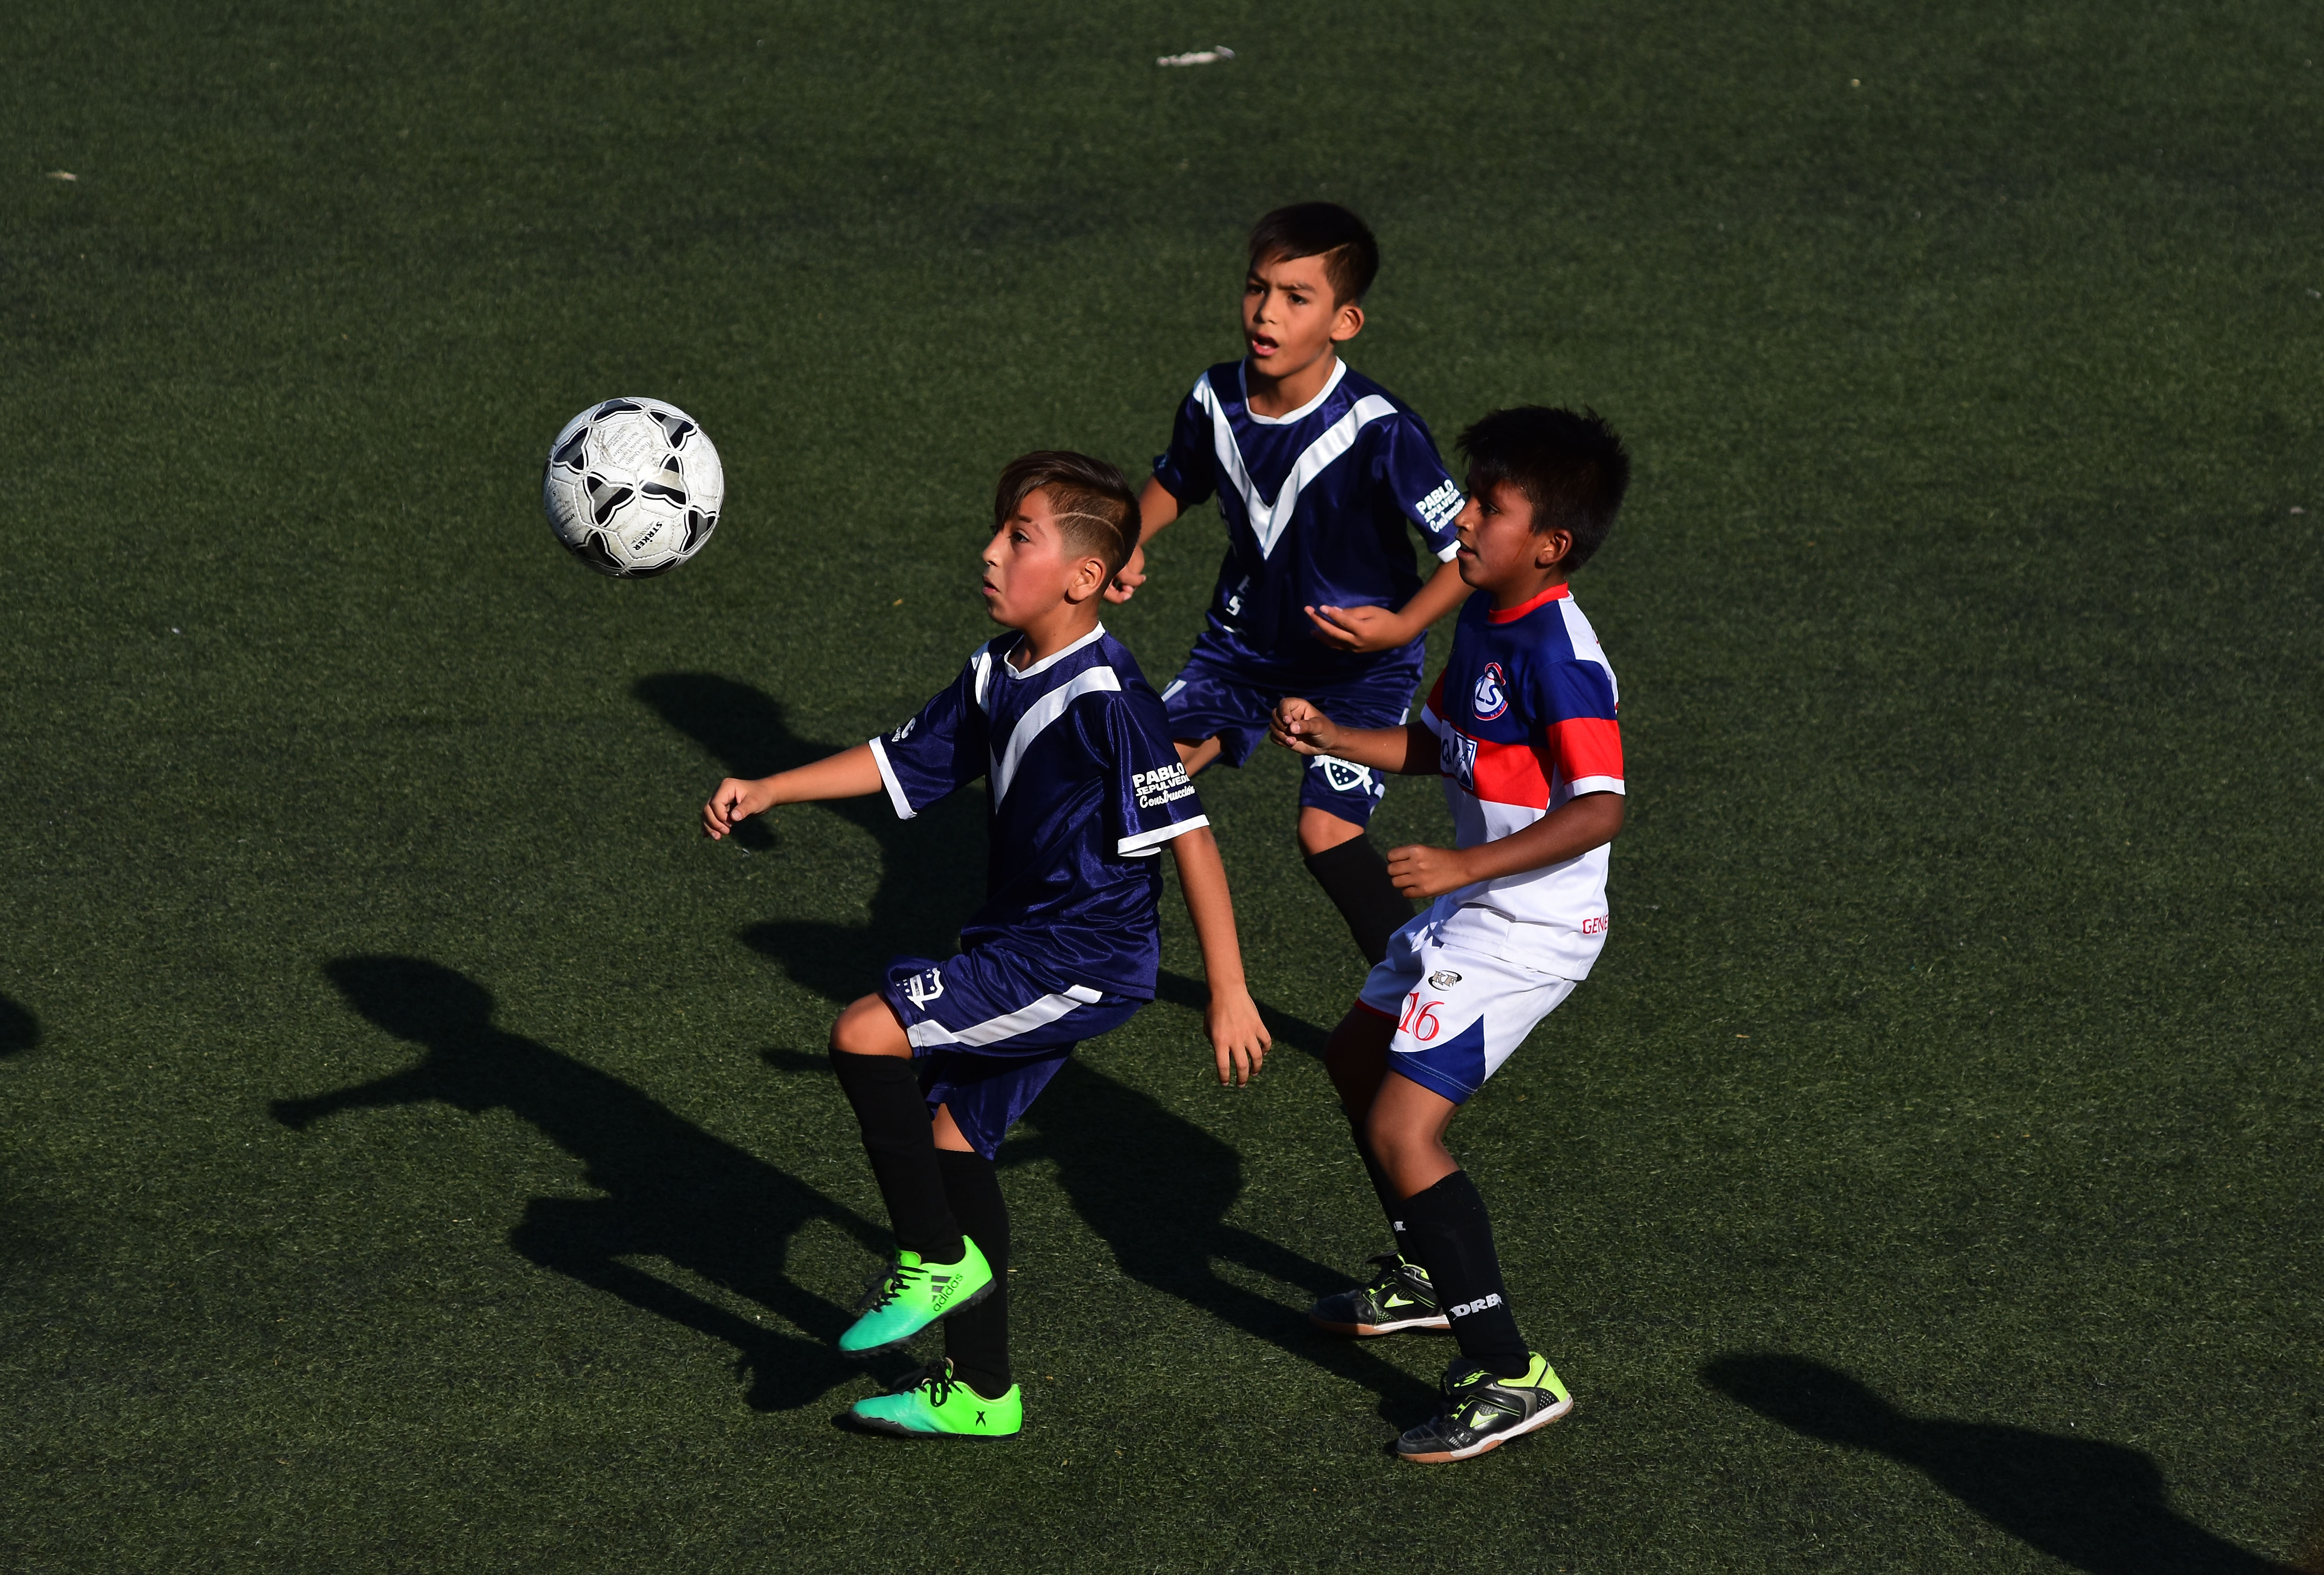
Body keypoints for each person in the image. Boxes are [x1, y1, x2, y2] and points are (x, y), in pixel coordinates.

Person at [703, 451, 1270, 1441]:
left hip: (1079, 960)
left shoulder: (1110, 701)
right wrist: (770, 785)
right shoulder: (994, 671)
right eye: (999, 530)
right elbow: (898, 762)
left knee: (865, 1034)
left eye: (1020, 538)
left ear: (1085, 578)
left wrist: (1228, 989)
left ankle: (932, 1256)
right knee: (954, 1142)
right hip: (1024, 943)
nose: (991, 552)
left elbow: (1190, 836)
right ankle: (983, 1391)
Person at [1268, 406, 1630, 1464]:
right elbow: (1440, 744)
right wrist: (1337, 737)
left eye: (1489, 508)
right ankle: (1427, 1272)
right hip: (1480, 908)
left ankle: (1510, 1371)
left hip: (1534, 924)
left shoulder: (1561, 655)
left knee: (1402, 1130)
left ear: (1550, 544)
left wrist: (1463, 866)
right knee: (1352, 1058)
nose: (1463, 522)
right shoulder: (1484, 614)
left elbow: (1599, 806)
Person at [1109, 202, 1470, 967]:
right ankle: (1080, 952)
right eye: (1256, 289)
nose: (1265, 314)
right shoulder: (1213, 398)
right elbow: (1178, 480)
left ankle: (1413, 990)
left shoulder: (1381, 428)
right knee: (1141, 781)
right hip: (1237, 655)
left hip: (1357, 669)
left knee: (1325, 831)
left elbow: (1464, 551)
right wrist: (1128, 540)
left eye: (1295, 297)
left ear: (1345, 321)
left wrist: (1402, 628)